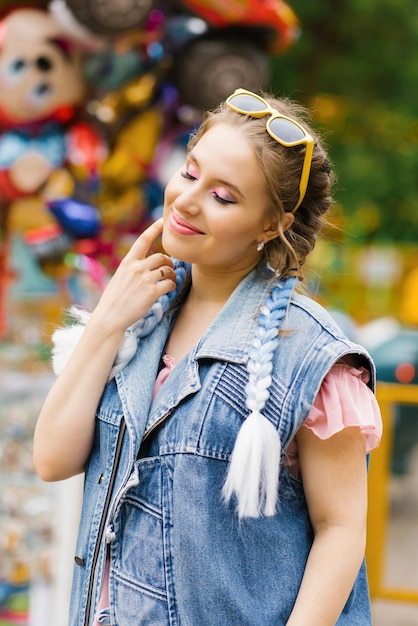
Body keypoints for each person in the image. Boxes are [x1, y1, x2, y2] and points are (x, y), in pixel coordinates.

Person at [34, 88, 382, 626]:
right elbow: (53, 459)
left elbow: (341, 529)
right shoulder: (140, 318)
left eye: (224, 197)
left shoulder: (309, 356)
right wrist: (105, 322)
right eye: (191, 173)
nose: (187, 201)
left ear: (272, 225)